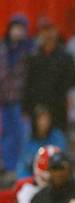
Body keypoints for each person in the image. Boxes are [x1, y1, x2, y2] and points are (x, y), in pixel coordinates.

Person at [23, 21, 75, 131]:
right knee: (39, 136)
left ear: (56, 32)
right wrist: (26, 107)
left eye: (50, 31)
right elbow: (27, 83)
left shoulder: (65, 57)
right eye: (45, 31)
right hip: (38, 106)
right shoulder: (34, 57)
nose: (48, 35)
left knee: (58, 137)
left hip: (59, 105)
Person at [0, 15, 33, 171]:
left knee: (22, 134)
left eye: (21, 29)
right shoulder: (2, 47)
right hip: (3, 99)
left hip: (21, 100)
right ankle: (8, 166)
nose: (18, 32)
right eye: (16, 28)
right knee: (6, 134)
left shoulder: (29, 50)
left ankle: (21, 168)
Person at [16, 105, 66, 179]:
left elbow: (62, 161)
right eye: (41, 119)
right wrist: (29, 180)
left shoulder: (58, 136)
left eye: (46, 119)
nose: (44, 123)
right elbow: (22, 166)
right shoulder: (28, 139)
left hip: (55, 179)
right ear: (35, 121)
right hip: (33, 179)